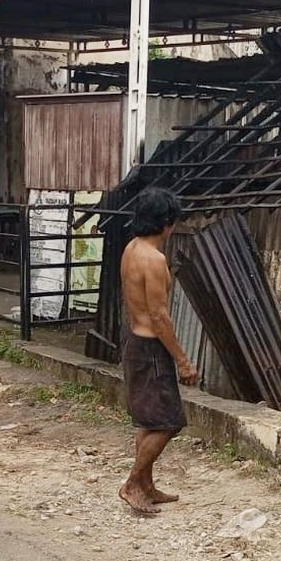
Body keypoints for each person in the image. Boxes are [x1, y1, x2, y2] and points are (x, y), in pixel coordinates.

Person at [119, 186, 197, 515]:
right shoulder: (153, 259)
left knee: (149, 421)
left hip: (137, 341)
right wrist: (182, 360)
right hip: (151, 346)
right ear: (167, 223)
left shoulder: (131, 249)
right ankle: (133, 484)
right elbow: (159, 317)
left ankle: (146, 485)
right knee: (168, 422)